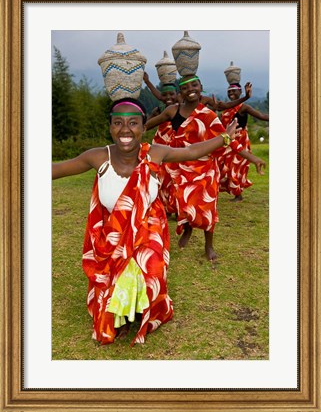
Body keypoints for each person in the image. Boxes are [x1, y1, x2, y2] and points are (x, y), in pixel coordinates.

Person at [52, 97, 239, 346]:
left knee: (149, 266)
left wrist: (224, 137)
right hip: (111, 233)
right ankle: (122, 309)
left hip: (148, 227)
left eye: (133, 123)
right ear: (110, 127)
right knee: (113, 288)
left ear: (143, 126)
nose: (125, 129)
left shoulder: (155, 153)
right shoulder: (98, 157)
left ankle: (142, 307)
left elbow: (192, 151)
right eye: (118, 123)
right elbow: (57, 168)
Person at [145, 75, 266, 262]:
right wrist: (131, 129)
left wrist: (253, 158)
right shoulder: (172, 111)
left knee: (207, 207)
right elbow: (148, 125)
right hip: (180, 168)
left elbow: (229, 140)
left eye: (194, 84)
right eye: (185, 87)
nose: (191, 89)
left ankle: (208, 245)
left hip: (205, 169)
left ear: (201, 87)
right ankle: (187, 228)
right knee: (183, 204)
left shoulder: (208, 115)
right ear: (180, 92)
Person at [218, 82, 269, 201]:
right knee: (224, 166)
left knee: (235, 167)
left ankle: (238, 193)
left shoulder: (244, 107)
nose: (231, 93)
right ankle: (234, 190)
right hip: (227, 140)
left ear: (240, 92)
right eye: (229, 91)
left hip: (240, 140)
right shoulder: (225, 108)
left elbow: (261, 115)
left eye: (234, 91)